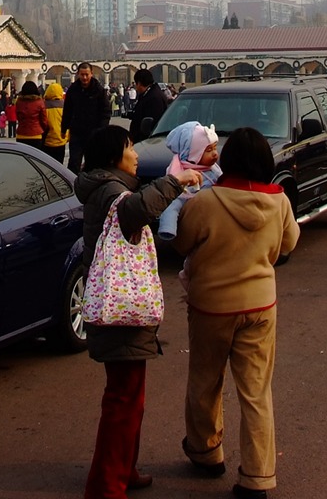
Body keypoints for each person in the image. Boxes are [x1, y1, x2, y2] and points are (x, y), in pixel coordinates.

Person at [75, 125, 201, 499]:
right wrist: (175, 181)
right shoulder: (114, 192)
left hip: (118, 308)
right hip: (122, 309)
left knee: (130, 396)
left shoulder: (103, 188)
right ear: (115, 156)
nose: (136, 155)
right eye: (130, 148)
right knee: (123, 399)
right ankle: (106, 484)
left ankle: (123, 469)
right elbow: (137, 209)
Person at [173, 127, 300, 499]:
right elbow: (289, 244)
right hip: (260, 305)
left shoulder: (206, 203)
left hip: (211, 305)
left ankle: (206, 450)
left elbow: (182, 243)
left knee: (205, 381)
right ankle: (258, 476)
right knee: (257, 392)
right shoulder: (279, 202)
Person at [157, 121, 220, 241]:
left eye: (215, 148)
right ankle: (168, 228)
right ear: (193, 154)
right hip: (194, 219)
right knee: (173, 204)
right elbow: (174, 201)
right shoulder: (181, 172)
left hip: (212, 217)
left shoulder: (213, 169)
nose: (215, 154)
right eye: (208, 150)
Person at [64, 63, 112, 174]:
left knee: (94, 163)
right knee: (74, 163)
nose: (84, 78)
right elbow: (67, 111)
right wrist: (64, 128)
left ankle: (92, 186)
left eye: (87, 74)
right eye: (82, 74)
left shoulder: (99, 90)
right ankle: (73, 186)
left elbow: (106, 112)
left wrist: (101, 129)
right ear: (78, 75)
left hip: (94, 133)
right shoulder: (73, 90)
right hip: (77, 133)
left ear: (91, 74)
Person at [128, 68, 168, 143]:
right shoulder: (148, 94)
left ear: (139, 83)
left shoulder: (154, 97)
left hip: (148, 141)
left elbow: (151, 122)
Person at [14, 81, 49, 150]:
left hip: (21, 134)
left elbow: (18, 117)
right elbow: (44, 120)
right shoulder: (39, 102)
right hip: (36, 135)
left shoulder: (19, 102)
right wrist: (44, 130)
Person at [42, 81, 70, 163]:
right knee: (58, 165)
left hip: (47, 141)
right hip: (61, 140)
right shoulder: (65, 106)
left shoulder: (44, 106)